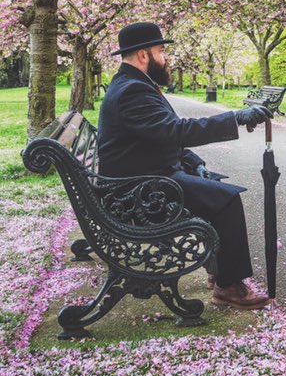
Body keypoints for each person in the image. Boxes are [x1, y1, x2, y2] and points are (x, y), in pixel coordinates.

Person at [96, 22, 274, 310]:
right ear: (144, 55)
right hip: (138, 191)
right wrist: (236, 117)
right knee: (226, 199)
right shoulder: (133, 91)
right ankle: (228, 286)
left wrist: (194, 162)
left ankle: (219, 272)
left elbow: (160, 135)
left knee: (214, 187)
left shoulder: (131, 85)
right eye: (161, 51)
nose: (165, 59)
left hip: (144, 179)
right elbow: (175, 131)